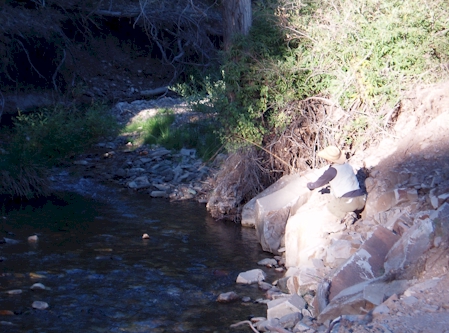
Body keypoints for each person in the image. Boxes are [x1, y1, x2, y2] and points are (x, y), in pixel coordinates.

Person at [307, 146, 366, 223]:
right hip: (362, 199)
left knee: (331, 206)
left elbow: (319, 183)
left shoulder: (332, 171)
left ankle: (348, 216)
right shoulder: (348, 166)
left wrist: (310, 185)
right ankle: (354, 211)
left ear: (328, 160)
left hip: (350, 202)